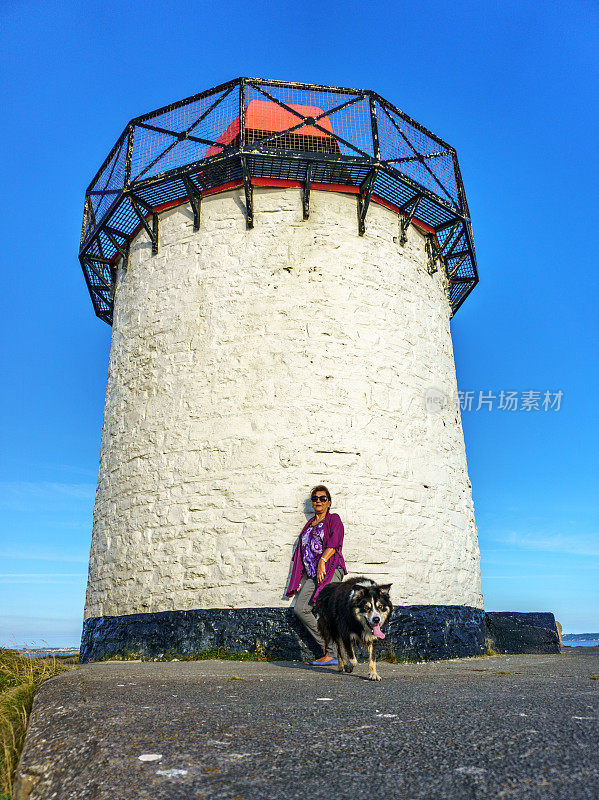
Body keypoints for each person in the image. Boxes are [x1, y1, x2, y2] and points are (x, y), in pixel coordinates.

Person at [286, 485, 347, 665]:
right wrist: (299, 579)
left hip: (330, 569)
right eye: (315, 498)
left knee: (327, 609)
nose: (318, 501)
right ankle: (328, 646)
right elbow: (303, 554)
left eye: (322, 498)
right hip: (314, 575)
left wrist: (323, 561)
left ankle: (331, 654)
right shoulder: (309, 525)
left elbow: (336, 541)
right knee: (301, 608)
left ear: (329, 502)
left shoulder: (333, 519)